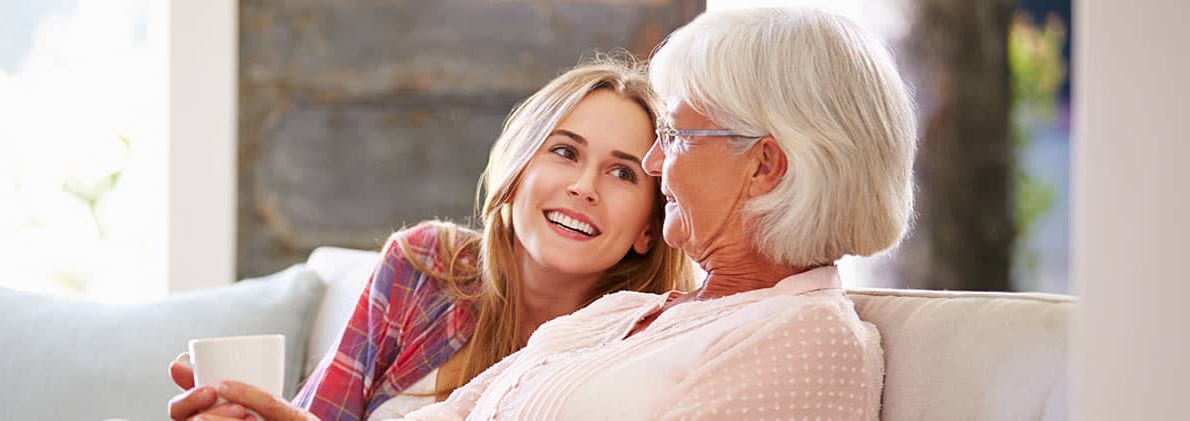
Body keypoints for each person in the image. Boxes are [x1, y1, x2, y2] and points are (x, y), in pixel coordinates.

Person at [184, 7, 917, 420]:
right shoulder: (623, 315)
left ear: (765, 164)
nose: (660, 167)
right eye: (564, 153)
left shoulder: (809, 340)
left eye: (673, 139)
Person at [167, 57, 697, 421]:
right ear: (516, 172)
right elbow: (320, 414)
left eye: (622, 173)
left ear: (651, 228)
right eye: (564, 152)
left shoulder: (644, 347)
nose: (584, 187)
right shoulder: (426, 267)